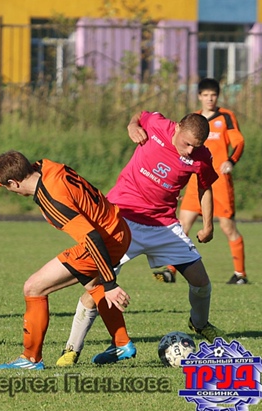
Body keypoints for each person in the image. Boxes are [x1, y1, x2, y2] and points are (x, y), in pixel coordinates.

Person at [55, 111, 226, 367]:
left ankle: (199, 324)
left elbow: (205, 187)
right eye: (187, 143)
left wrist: (209, 225)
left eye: (196, 146)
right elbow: (139, 116)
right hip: (123, 219)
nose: (190, 150)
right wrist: (132, 125)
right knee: (97, 286)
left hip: (163, 225)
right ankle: (72, 349)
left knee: (201, 282)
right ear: (177, 128)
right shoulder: (157, 125)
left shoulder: (201, 156)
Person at [0, 150, 133, 370]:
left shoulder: (52, 200)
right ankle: (121, 343)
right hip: (118, 228)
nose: (9, 189)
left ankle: (30, 358)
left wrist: (111, 283)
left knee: (34, 287)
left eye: (8, 186)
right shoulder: (44, 167)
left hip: (104, 240)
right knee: (93, 284)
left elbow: (91, 237)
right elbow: (9, 175)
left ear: (14, 184)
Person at [153, 78, 248, 285]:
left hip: (219, 182)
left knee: (227, 227)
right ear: (199, 97)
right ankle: (170, 271)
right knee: (182, 224)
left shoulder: (225, 117)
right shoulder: (194, 120)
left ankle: (240, 274)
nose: (209, 99)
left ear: (218, 96)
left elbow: (239, 142)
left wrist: (231, 160)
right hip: (194, 181)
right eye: (205, 95)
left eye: (213, 95)